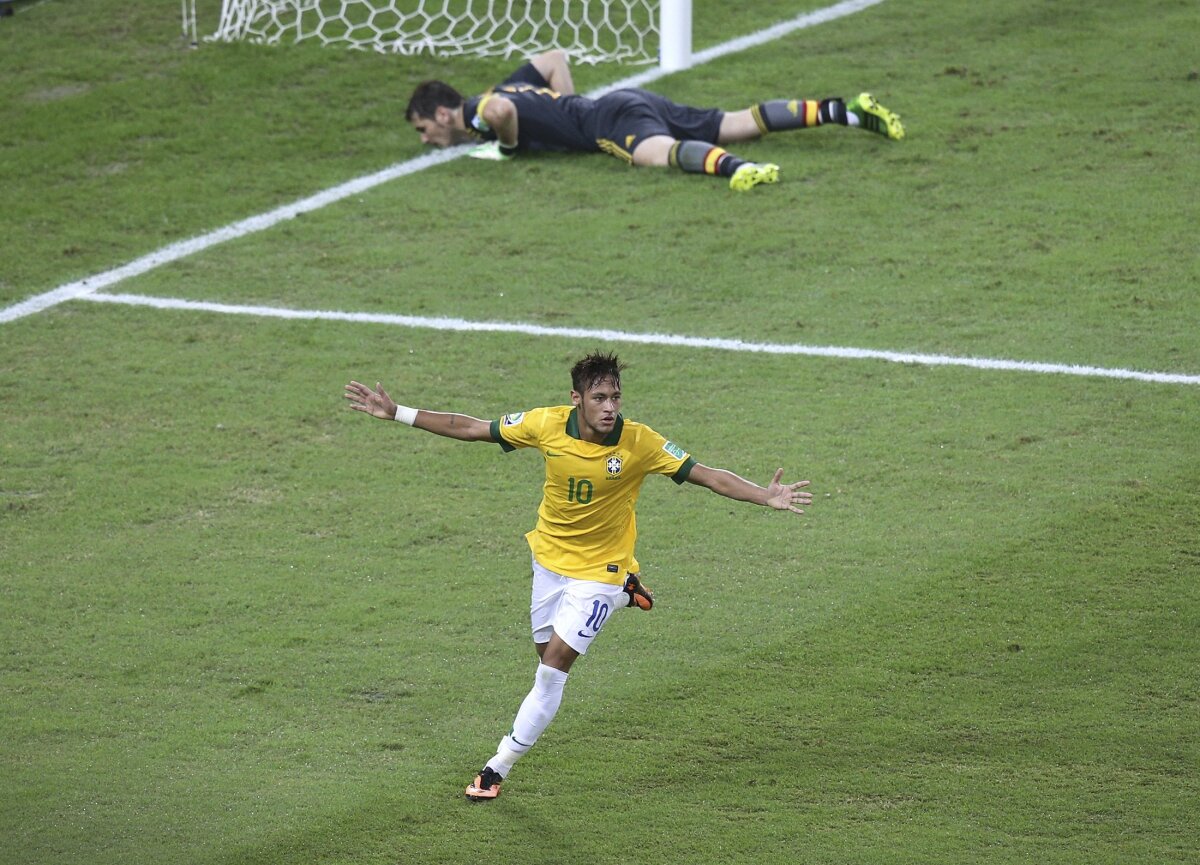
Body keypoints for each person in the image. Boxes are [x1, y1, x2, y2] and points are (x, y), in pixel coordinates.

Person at [344, 351, 813, 800]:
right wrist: (397, 412)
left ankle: (495, 768)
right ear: (577, 399)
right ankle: (629, 594)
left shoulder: (641, 442)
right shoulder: (545, 424)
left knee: (551, 673)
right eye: (599, 399)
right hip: (549, 562)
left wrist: (763, 495)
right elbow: (469, 427)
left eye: (615, 398)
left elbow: (706, 474)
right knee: (543, 651)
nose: (610, 408)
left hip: (602, 570)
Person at [405, 49, 904, 191]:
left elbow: (501, 113)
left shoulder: (479, 109)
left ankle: (737, 169)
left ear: (445, 112)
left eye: (425, 129)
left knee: (654, 156)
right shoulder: (509, 81)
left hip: (608, 118)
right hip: (625, 100)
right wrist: (569, 108)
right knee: (733, 119)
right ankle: (846, 110)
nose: (428, 140)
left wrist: (509, 148)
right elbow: (554, 57)